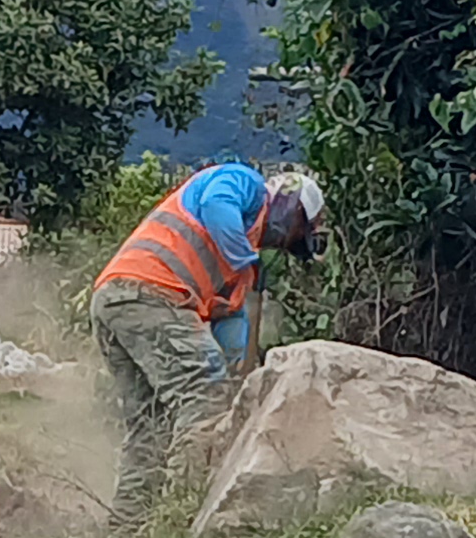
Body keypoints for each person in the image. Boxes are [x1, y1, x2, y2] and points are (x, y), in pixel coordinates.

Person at [92, 164, 328, 511]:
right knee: (203, 393)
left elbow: (232, 340)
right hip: (152, 292)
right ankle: (181, 509)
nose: (283, 242)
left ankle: (129, 524)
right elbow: (216, 205)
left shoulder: (238, 275)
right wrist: (245, 258)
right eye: (294, 233)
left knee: (152, 423)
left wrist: (242, 387)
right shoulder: (245, 183)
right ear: (289, 205)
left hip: (116, 300)